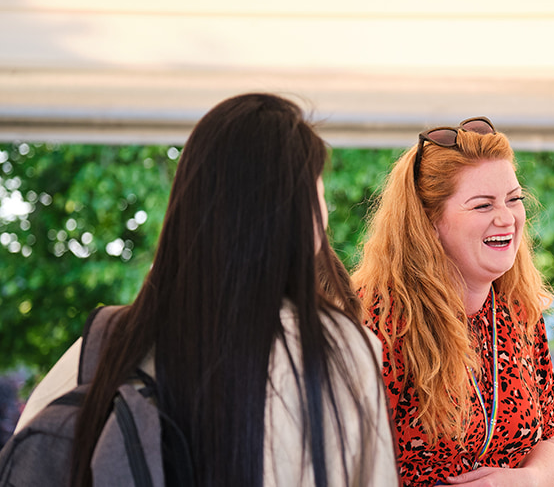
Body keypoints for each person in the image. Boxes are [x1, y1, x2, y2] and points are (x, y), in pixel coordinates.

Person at [14, 93, 398, 487]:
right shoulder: (341, 350)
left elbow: (36, 457)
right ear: (303, 219)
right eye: (318, 196)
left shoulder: (112, 342)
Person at [352, 117, 554, 486]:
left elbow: (549, 439)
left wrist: (524, 480)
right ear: (429, 222)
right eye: (483, 205)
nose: (507, 218)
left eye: (513, 199)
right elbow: (341, 459)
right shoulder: (378, 318)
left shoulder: (519, 311)